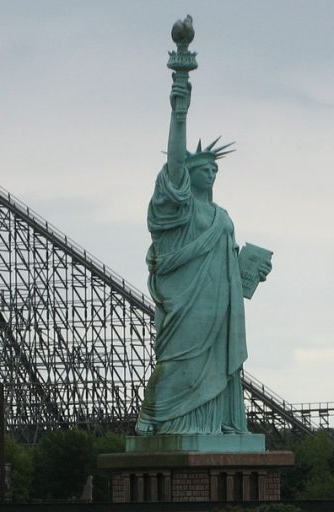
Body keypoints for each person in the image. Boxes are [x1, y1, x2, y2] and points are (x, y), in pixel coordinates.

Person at [135, 49, 270, 436]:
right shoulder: (179, 210)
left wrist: (251, 271)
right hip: (186, 305)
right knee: (178, 361)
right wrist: (180, 108)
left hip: (221, 308)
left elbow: (227, 264)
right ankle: (156, 416)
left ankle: (218, 423)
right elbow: (174, 163)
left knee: (217, 364)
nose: (210, 172)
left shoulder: (223, 217)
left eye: (214, 168)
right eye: (202, 168)